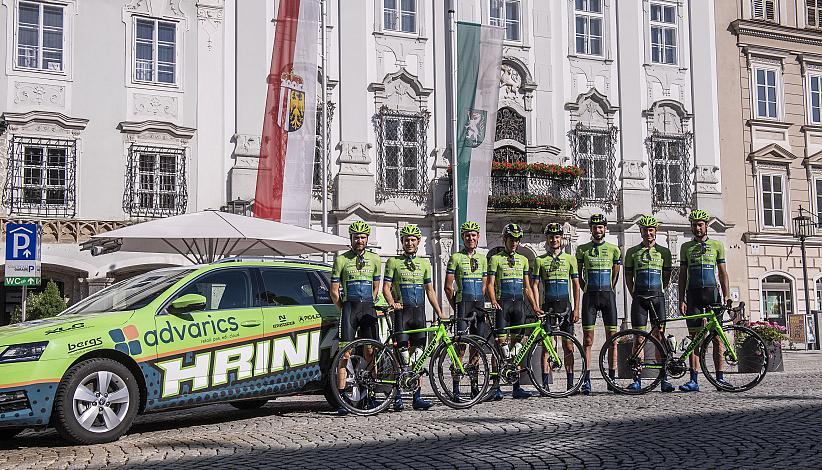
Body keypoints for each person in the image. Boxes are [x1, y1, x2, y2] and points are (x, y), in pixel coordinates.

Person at [383, 224, 445, 411]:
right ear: (402, 242)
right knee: (401, 357)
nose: (409, 243)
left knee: (418, 356)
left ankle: (417, 397)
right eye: (406, 240)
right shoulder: (393, 262)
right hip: (401, 313)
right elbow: (385, 287)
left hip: (419, 314)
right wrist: (392, 302)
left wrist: (440, 312)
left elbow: (430, 290)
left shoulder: (424, 264)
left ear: (418, 242)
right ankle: (397, 398)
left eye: (413, 240)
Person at [330, 220, 382, 414]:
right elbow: (334, 290)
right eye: (356, 237)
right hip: (349, 308)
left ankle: (371, 396)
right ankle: (342, 399)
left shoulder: (375, 259)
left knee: (371, 352)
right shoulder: (341, 259)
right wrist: (342, 307)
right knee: (345, 354)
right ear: (351, 239)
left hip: (368, 307)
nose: (359, 240)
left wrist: (372, 300)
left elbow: (376, 286)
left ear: (367, 239)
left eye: (362, 237)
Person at [678, 209, 732, 392]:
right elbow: (682, 276)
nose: (697, 228)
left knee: (718, 338)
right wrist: (680, 298)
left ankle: (720, 378)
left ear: (706, 226)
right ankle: (694, 380)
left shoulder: (717, 245)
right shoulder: (686, 247)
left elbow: (723, 273)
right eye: (694, 225)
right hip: (693, 295)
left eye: (700, 224)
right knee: (694, 339)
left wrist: (727, 295)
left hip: (712, 295)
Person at [487, 223, 542, 400]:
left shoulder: (524, 260)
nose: (514, 243)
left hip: (519, 306)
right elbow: (490, 284)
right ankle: (495, 387)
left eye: (517, 240)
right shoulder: (495, 259)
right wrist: (493, 300)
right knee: (499, 347)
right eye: (511, 240)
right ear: (505, 240)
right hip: (503, 305)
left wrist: (534, 306)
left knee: (516, 348)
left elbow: (527, 288)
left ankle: (516, 386)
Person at [623, 215, 674, 392]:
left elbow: (666, 278)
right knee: (638, 339)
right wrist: (634, 293)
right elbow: (628, 277)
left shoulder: (664, 252)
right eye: (645, 230)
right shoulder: (632, 252)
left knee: (660, 337)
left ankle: (663, 379)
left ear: (656, 231)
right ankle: (637, 379)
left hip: (657, 297)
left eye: (651, 230)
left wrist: (658, 291)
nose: (648, 233)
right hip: (639, 298)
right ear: (641, 231)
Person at [531, 222, 581, 393]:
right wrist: (537, 306)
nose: (554, 239)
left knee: (568, 346)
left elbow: (576, 285)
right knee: (547, 346)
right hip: (548, 307)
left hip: (566, 306)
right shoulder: (540, 260)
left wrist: (576, 309)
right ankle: (544, 385)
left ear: (561, 239)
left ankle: (570, 383)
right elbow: (535, 285)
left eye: (557, 237)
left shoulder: (570, 259)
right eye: (551, 237)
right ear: (547, 239)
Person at [575, 214, 622, 395]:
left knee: (613, 340)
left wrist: (609, 287)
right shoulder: (582, 250)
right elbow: (579, 276)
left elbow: (615, 275)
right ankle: (587, 380)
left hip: (607, 296)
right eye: (595, 227)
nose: (598, 230)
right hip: (590, 297)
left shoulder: (614, 250)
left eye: (600, 227)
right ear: (591, 229)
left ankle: (611, 378)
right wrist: (586, 287)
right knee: (588, 340)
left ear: (605, 228)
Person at [444, 221, 489, 400]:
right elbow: (448, 286)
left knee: (476, 347)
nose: (471, 238)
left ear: (478, 237)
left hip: (478, 305)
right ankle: (456, 388)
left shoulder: (483, 259)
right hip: (463, 304)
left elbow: (485, 285)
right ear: (463, 237)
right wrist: (456, 304)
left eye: (474, 235)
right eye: (467, 235)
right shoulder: (455, 257)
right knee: (460, 346)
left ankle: (474, 387)